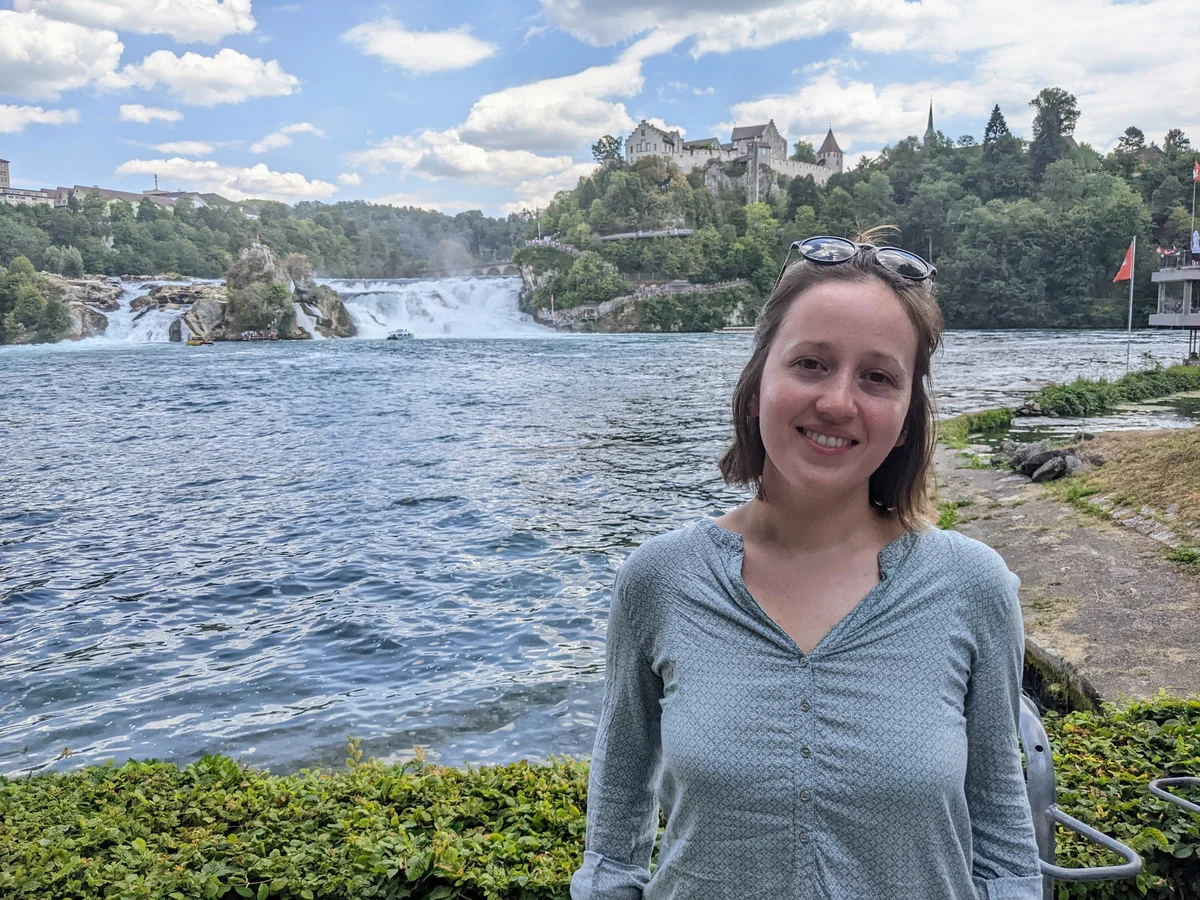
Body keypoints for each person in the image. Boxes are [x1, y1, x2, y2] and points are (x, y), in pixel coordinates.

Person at [571, 233, 1042, 900]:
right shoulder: (659, 580)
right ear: (759, 382)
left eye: (878, 377)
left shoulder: (973, 586)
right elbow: (615, 828)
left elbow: (1002, 840)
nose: (839, 402)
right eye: (811, 364)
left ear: (907, 415)